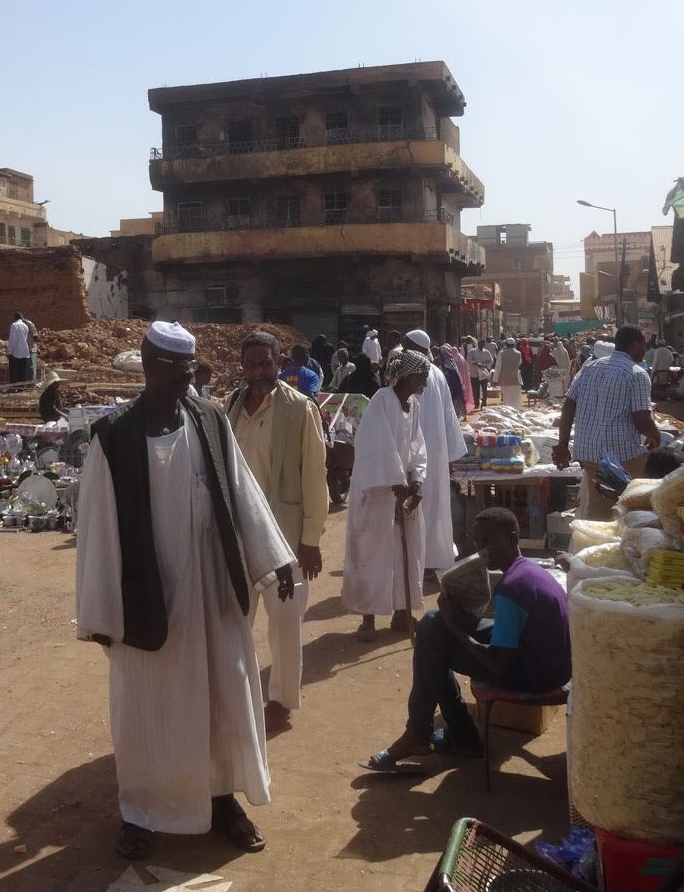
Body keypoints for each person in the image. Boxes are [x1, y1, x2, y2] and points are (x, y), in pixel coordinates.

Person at [75, 321, 296, 861]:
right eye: (179, 372)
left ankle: (223, 801)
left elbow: (241, 491)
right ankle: (142, 812)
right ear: (150, 367)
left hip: (213, 587)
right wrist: (101, 612)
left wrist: (275, 556)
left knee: (223, 698)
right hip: (148, 598)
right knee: (149, 707)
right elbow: (98, 530)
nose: (189, 381)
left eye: (192, 370)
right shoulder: (113, 438)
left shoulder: (209, 419)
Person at [361, 508, 571, 770]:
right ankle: (451, 735)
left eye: (489, 541)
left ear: (513, 538)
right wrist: (455, 617)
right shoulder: (528, 570)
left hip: (535, 675)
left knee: (435, 642)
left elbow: (498, 666)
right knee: (432, 623)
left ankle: (427, 733)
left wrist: (455, 627)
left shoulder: (511, 588)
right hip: (549, 662)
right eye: (477, 542)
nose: (482, 550)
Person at [225, 332, 329, 733]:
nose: (257, 371)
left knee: (285, 625)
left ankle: (281, 702)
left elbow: (314, 476)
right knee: (236, 621)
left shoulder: (299, 409)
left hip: (284, 539)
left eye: (264, 363)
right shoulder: (232, 407)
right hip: (239, 536)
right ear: (242, 364)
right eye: (250, 363)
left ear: (278, 361)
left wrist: (311, 541)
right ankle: (240, 696)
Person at [343, 350, 430, 642]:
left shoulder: (414, 405)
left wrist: (417, 480)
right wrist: (396, 483)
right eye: (422, 377)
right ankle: (368, 619)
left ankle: (401, 613)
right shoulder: (381, 400)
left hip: (402, 489)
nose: (425, 384)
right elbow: (374, 446)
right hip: (377, 490)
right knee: (372, 553)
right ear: (407, 376)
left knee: (406, 552)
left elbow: (418, 446)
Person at [553, 326, 661, 519]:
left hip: (588, 450)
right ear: (635, 345)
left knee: (599, 505)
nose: (645, 351)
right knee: (634, 503)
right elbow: (641, 419)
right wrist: (655, 436)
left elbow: (569, 405)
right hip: (620, 453)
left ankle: (595, 542)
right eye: (643, 346)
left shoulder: (590, 367)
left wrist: (562, 444)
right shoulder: (636, 373)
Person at [402, 331, 468, 571]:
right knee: (430, 507)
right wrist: (449, 454)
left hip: (417, 451)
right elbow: (450, 418)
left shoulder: (416, 375)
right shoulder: (437, 373)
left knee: (421, 508)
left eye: (406, 346)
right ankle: (428, 561)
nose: (403, 350)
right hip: (432, 452)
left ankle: (421, 563)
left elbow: (445, 414)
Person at [495, 338, 524, 408]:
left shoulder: (501, 353)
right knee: (515, 399)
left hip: (504, 380)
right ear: (514, 345)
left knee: (506, 399)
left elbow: (498, 367)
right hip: (515, 379)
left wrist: (495, 380)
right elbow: (519, 363)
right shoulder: (518, 353)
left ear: (506, 344)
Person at [467, 341, 495, 408]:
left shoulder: (486, 352)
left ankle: (484, 403)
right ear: (478, 344)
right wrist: (476, 363)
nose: (481, 346)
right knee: (475, 389)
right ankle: (476, 403)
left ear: (484, 345)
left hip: (483, 374)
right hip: (474, 373)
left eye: (482, 345)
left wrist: (485, 365)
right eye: (480, 344)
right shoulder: (472, 351)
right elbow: (468, 359)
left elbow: (491, 361)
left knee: (484, 389)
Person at [7, 313, 33, 383]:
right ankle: (21, 388)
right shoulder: (25, 326)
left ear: (15, 318)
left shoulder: (14, 325)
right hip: (25, 352)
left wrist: (9, 352)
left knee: (13, 372)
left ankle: (13, 388)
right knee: (22, 372)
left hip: (16, 352)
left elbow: (13, 340)